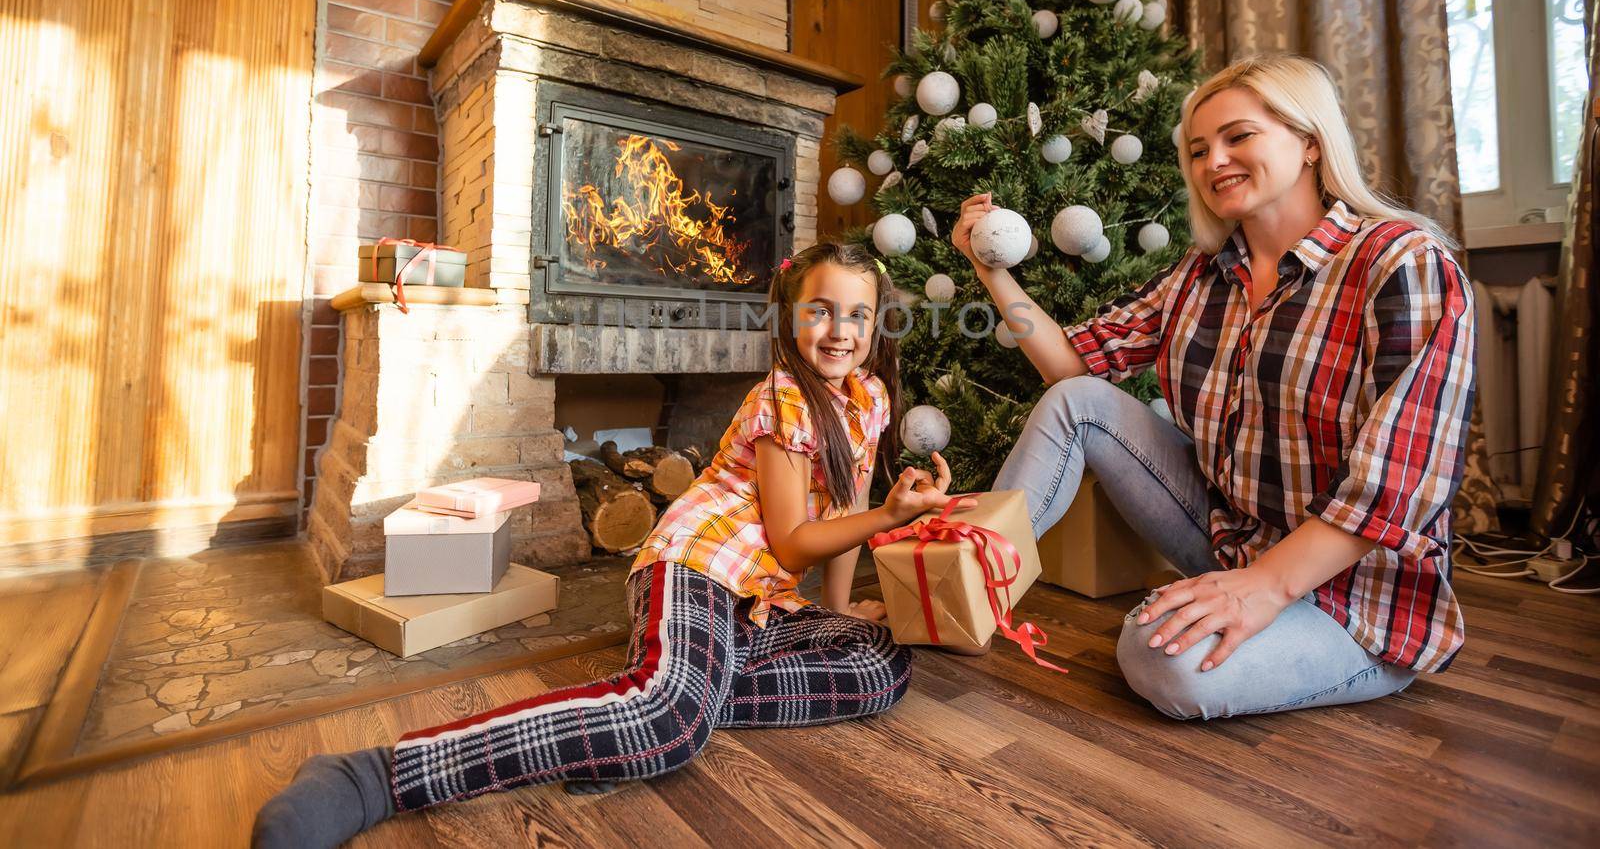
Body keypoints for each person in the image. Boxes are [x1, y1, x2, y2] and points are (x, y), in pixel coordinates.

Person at [252, 241, 953, 848]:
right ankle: (375, 774)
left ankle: (653, 706)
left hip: (762, 601)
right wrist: (891, 518)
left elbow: (850, 508)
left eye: (858, 314)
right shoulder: (784, 399)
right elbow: (798, 541)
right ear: (792, 316)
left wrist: (840, 606)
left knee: (882, 663)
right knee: (672, 723)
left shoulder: (868, 399)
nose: (841, 329)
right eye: (822, 309)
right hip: (700, 565)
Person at [952, 52, 1476, 719]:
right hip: (1233, 538)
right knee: (1076, 403)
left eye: (1239, 136)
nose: (1213, 161)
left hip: (1354, 597)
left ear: (1311, 142)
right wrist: (989, 271)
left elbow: (1396, 487)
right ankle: (957, 589)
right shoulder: (1201, 276)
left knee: (1161, 658)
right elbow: (1069, 367)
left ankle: (1291, 636)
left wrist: (1261, 588)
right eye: (1198, 149)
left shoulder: (1402, 263)